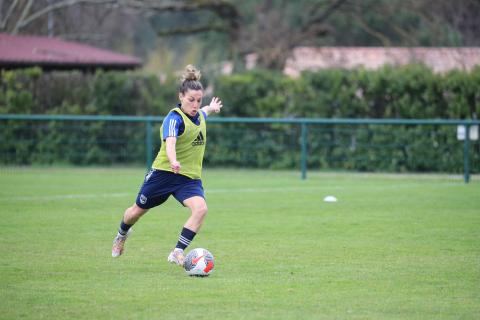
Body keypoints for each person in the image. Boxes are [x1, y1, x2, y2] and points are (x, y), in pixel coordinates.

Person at [111, 65, 223, 266]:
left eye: (199, 100)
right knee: (136, 212)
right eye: (191, 100)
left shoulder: (199, 115)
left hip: (188, 178)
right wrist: (173, 161)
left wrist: (211, 108)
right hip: (164, 174)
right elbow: (170, 142)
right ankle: (121, 234)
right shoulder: (174, 118)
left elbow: (204, 113)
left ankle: (177, 251)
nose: (195, 104)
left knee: (201, 209)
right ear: (181, 96)